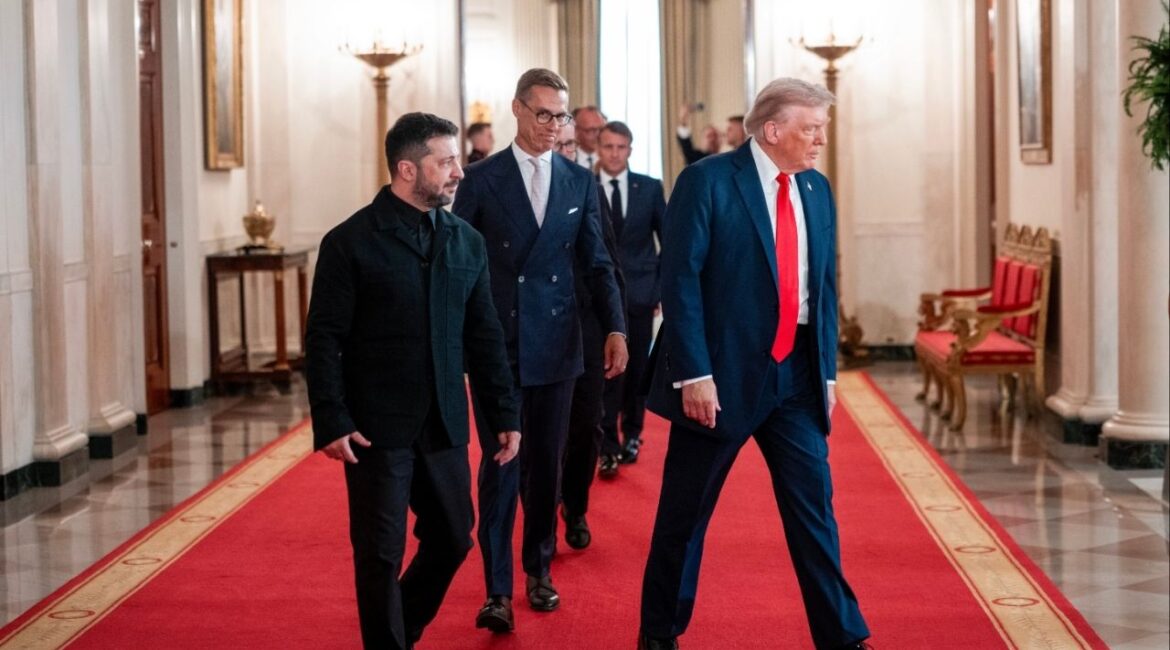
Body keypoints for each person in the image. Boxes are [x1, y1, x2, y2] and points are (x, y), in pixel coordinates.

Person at [638, 78, 871, 650]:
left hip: (795, 379)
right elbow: (680, 279)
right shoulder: (708, 181)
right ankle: (659, 634)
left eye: (822, 127)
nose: (821, 139)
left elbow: (823, 287)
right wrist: (693, 373)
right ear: (773, 130)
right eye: (811, 127)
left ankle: (842, 636)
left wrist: (828, 372)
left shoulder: (816, 188)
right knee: (685, 520)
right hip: (719, 380)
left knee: (815, 515)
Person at [304, 112, 521, 650]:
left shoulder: (466, 241)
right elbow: (323, 339)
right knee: (380, 551)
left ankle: (399, 627)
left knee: (452, 537)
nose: (458, 173)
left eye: (457, 160)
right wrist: (331, 418)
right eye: (445, 162)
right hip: (374, 427)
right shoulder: (349, 242)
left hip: (444, 421)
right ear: (406, 168)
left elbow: (485, 336)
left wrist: (505, 415)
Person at [452, 68, 628, 633]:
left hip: (558, 345)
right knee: (502, 466)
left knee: (546, 467)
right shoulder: (480, 179)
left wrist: (618, 327)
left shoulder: (579, 182)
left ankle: (539, 570)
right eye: (545, 114)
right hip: (497, 347)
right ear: (518, 110)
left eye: (562, 116)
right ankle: (497, 590)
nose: (555, 126)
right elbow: (460, 266)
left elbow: (597, 263)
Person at [556, 120, 626, 548]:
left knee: (586, 428)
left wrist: (616, 327)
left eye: (569, 145)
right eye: (558, 144)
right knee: (542, 433)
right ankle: (541, 518)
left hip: (586, 327)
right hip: (534, 331)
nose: (564, 151)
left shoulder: (587, 188)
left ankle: (576, 506)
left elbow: (608, 264)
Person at [595, 121, 666, 478]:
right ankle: (606, 443)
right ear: (598, 147)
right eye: (608, 146)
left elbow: (668, 241)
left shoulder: (649, 188)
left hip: (640, 294)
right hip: (598, 298)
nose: (614, 153)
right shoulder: (583, 185)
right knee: (606, 372)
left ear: (630, 150)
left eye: (620, 147)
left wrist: (660, 291)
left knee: (637, 370)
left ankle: (633, 434)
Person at [572, 105, 607, 170]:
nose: (598, 135)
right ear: (576, 131)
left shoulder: (613, 160)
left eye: (601, 129)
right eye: (591, 130)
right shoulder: (567, 158)